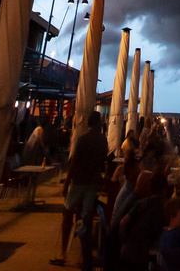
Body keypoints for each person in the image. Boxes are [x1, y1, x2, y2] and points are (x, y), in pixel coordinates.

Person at [55, 111, 107, 266]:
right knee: (86, 219)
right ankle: (83, 256)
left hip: (78, 182)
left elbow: (74, 163)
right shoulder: (103, 141)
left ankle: (63, 253)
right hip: (93, 183)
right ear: (99, 124)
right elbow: (102, 163)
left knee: (68, 212)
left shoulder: (83, 139)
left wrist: (66, 183)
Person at [118, 171, 166, 271]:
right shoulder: (160, 208)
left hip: (126, 252)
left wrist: (124, 242)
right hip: (139, 258)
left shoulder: (140, 202)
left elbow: (123, 222)